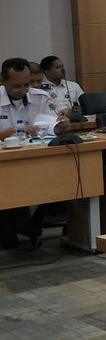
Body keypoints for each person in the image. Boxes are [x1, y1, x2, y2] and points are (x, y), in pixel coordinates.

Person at [1, 58, 67, 246]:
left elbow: (52, 125)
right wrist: (11, 132)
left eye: (26, 84)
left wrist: (60, 127)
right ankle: (13, 227)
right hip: (5, 163)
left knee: (62, 178)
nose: (23, 90)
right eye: (16, 86)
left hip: (36, 157)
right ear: (2, 81)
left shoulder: (40, 97)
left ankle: (31, 222)